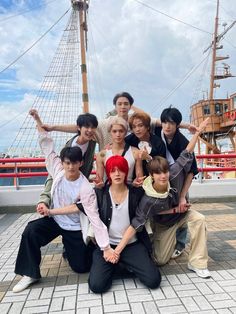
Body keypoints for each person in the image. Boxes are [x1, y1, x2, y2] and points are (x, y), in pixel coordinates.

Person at [12, 110, 110, 293]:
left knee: (81, 267)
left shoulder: (85, 188)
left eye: (74, 163)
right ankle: (30, 273)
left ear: (81, 163)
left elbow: (95, 219)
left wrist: (105, 248)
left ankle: (88, 249)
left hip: (73, 227)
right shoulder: (57, 170)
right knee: (30, 231)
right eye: (67, 163)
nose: (70, 167)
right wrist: (38, 120)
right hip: (55, 222)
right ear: (63, 163)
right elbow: (47, 145)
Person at [118, 118, 211, 278]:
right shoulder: (147, 198)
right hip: (164, 225)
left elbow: (186, 152)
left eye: (165, 172)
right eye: (158, 173)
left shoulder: (173, 173)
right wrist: (118, 250)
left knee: (199, 219)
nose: (163, 176)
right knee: (160, 260)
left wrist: (197, 134)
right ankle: (165, 243)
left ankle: (197, 262)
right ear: (152, 176)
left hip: (182, 216)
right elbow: (136, 224)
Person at [88, 155, 161, 293]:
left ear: (126, 171)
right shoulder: (100, 193)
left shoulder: (136, 193)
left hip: (131, 244)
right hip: (107, 246)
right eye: (113, 170)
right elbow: (87, 212)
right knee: (97, 286)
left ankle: (119, 262)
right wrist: (50, 211)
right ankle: (118, 264)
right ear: (108, 173)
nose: (117, 174)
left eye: (121, 170)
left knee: (154, 280)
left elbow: (153, 196)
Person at [40, 91, 197, 150]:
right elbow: (79, 128)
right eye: (119, 104)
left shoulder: (137, 121)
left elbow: (161, 122)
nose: (123, 106)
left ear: (130, 106)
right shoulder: (107, 123)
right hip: (111, 160)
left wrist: (186, 125)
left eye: (126, 104)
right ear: (115, 106)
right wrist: (53, 127)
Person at [155, 107, 199, 258]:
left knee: (182, 208)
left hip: (180, 181)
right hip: (161, 179)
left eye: (172, 123)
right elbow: (142, 119)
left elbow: (192, 171)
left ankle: (180, 243)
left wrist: (182, 195)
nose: (167, 126)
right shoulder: (156, 132)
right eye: (165, 122)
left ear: (177, 125)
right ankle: (161, 236)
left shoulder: (183, 142)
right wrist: (187, 125)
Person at [95, 116, 144, 187]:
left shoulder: (135, 152)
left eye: (121, 131)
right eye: (114, 131)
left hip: (129, 191)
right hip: (110, 191)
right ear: (110, 132)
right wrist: (99, 185)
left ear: (125, 132)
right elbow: (99, 180)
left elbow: (139, 179)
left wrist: (136, 184)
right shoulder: (102, 155)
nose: (118, 134)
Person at [125, 111, 166, 176]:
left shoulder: (158, 143)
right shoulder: (129, 140)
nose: (137, 129)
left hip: (154, 178)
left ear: (147, 127)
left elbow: (162, 166)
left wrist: (148, 158)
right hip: (134, 179)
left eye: (140, 125)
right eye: (134, 127)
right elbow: (119, 145)